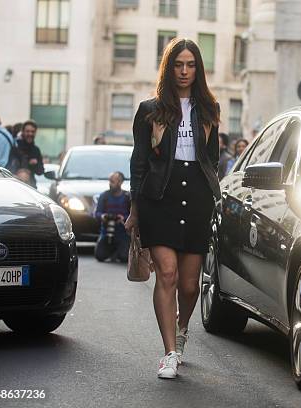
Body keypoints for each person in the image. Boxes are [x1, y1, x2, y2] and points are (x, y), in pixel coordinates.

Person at [125, 37, 221, 379]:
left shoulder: (209, 110)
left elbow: (212, 161)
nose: (184, 71)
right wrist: (135, 209)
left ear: (198, 69)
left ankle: (181, 332)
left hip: (197, 197)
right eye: (178, 64)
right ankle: (168, 352)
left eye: (190, 64)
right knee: (167, 274)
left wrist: (215, 198)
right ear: (169, 68)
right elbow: (138, 162)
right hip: (159, 197)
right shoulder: (150, 110)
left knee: (190, 285)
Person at [95, 171, 131, 263]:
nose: (110, 184)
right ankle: (112, 251)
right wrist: (103, 216)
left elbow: (133, 215)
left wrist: (123, 218)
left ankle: (118, 251)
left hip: (122, 234)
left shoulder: (127, 197)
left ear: (120, 182)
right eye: (110, 181)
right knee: (100, 256)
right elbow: (97, 213)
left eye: (113, 182)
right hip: (106, 233)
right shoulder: (104, 196)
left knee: (124, 257)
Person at [17, 120, 45, 188]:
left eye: (32, 132)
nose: (30, 134)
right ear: (23, 132)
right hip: (17, 186)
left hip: (31, 187)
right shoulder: (15, 147)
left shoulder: (36, 150)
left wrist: (35, 164)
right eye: (27, 131)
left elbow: (40, 171)